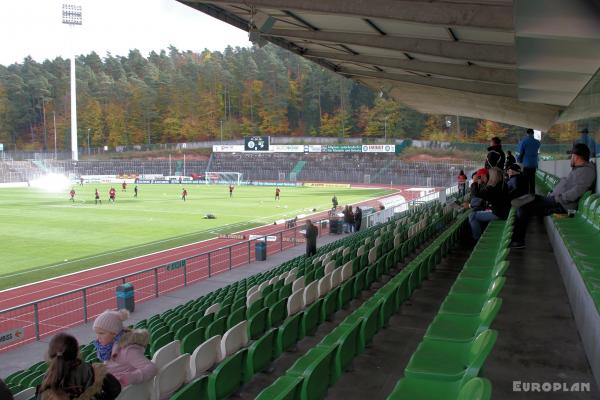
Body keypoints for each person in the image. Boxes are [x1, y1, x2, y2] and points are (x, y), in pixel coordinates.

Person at [510, 143, 596, 249]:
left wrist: (557, 197)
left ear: (577, 157)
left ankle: (518, 240)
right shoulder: (580, 169)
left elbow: (576, 192)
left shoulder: (587, 171)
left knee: (524, 206)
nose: (571, 158)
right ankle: (527, 199)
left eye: (572, 156)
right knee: (526, 204)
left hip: (562, 206)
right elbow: (568, 185)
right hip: (556, 200)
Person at [36, 333, 121, 400]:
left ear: (51, 354)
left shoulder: (47, 379)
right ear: (77, 351)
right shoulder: (95, 371)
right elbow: (115, 388)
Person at [93, 309, 157, 388]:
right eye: (96, 333)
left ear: (114, 333)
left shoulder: (127, 351)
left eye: (101, 333)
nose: (97, 337)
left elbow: (152, 368)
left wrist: (131, 377)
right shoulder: (108, 348)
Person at [468, 164, 510, 240]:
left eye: (489, 175)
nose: (488, 176)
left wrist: (474, 182)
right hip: (503, 212)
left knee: (472, 216)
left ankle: (477, 239)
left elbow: (478, 195)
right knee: (477, 212)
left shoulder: (494, 188)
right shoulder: (502, 185)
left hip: (499, 214)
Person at [516, 128, 541, 194]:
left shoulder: (524, 141)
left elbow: (520, 153)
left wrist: (519, 160)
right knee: (532, 180)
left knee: (526, 180)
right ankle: (533, 194)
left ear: (527, 134)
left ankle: (526, 195)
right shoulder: (537, 142)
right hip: (534, 163)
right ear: (533, 133)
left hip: (526, 164)